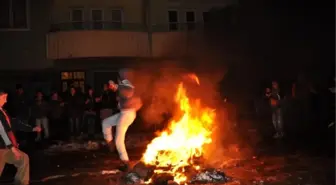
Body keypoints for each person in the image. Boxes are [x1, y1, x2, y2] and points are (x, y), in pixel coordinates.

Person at [0, 90, 41, 185]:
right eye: (3, 98)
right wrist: (12, 147)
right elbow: (1, 131)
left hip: (6, 148)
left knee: (23, 159)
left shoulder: (4, 112)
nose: (6, 101)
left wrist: (32, 129)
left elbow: (14, 124)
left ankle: (21, 183)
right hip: (2, 148)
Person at [102, 79, 142, 171]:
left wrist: (115, 86)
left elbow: (123, 90)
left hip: (128, 114)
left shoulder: (128, 88)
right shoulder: (124, 90)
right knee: (106, 122)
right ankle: (110, 144)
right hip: (123, 113)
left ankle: (126, 163)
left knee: (119, 140)